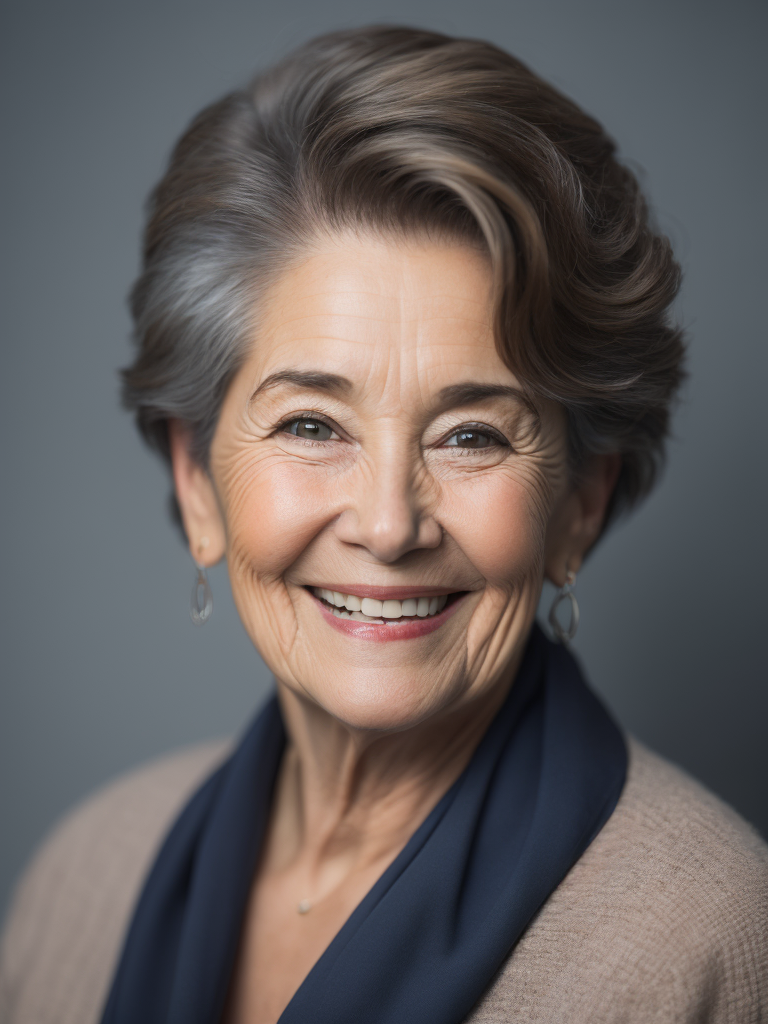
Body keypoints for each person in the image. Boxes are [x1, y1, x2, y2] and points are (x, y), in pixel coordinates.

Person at [1, 25, 766, 1024]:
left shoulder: (704, 939)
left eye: (472, 436)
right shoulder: (87, 876)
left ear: (579, 502)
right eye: (313, 424)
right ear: (198, 483)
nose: (389, 521)